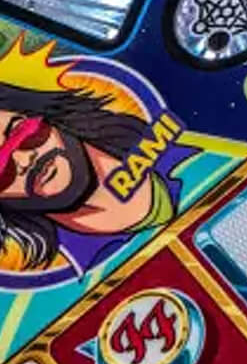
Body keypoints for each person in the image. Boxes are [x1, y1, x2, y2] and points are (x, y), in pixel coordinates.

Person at [0, 80, 190, 276]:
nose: (25, 161)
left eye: (24, 134)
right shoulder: (75, 274)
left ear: (46, 117)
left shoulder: (187, 141)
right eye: (3, 172)